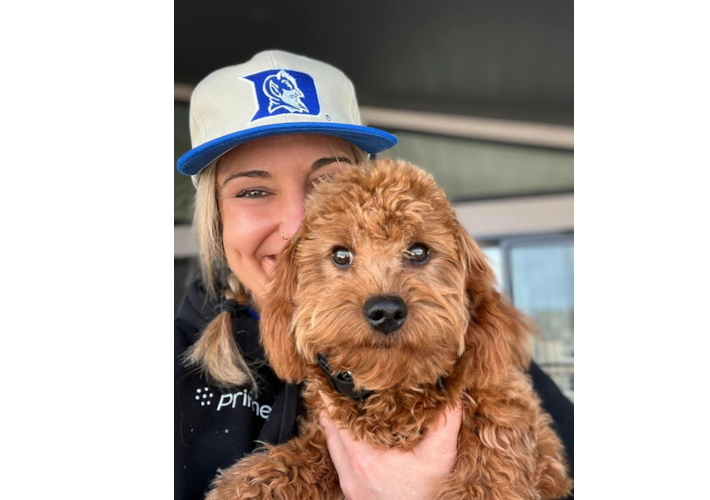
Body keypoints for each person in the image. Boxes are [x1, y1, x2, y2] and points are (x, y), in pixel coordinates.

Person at [174, 50, 575, 500]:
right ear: (216, 220)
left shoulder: (483, 352)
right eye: (253, 191)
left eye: (328, 185)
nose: (295, 229)